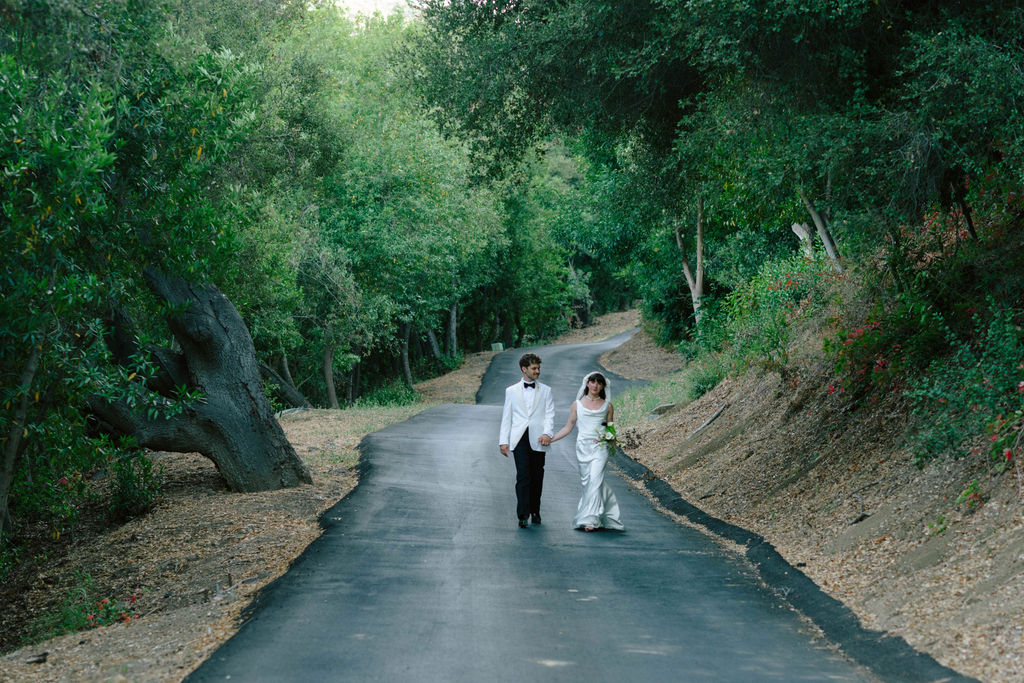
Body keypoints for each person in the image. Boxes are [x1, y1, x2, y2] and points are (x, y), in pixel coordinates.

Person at [550, 371, 624, 532]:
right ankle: (605, 513)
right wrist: (552, 438)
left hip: (600, 448)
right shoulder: (577, 404)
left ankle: (591, 519)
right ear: (587, 383)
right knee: (587, 482)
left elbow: (611, 429)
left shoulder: (607, 405)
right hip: (582, 448)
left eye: (599, 382)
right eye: (592, 382)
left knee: (595, 480)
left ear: (603, 386)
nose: (595, 385)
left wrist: (609, 438)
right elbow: (568, 427)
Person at [498, 353, 555, 528]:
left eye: (538, 368)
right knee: (523, 476)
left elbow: (550, 414)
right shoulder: (511, 391)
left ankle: (535, 511)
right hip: (519, 438)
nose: (537, 371)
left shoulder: (546, 390)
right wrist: (503, 441)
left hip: (539, 438)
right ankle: (522, 514)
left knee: (537, 476)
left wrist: (548, 434)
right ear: (524, 369)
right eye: (534, 368)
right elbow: (507, 417)